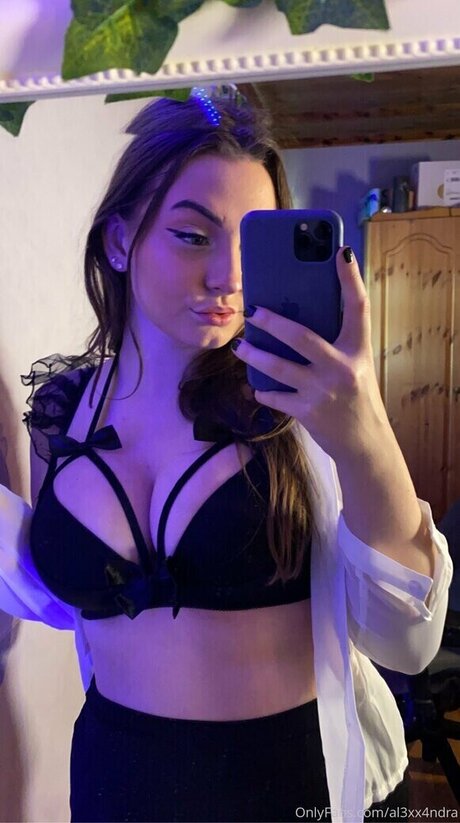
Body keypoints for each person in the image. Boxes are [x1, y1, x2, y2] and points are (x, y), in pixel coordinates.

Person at [0, 86, 453, 823]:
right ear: (118, 241)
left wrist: (363, 430)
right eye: (193, 235)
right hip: (116, 784)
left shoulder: (303, 405)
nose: (229, 278)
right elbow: (67, 596)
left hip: (290, 788)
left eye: (250, 242)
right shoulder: (63, 411)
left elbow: (408, 642)